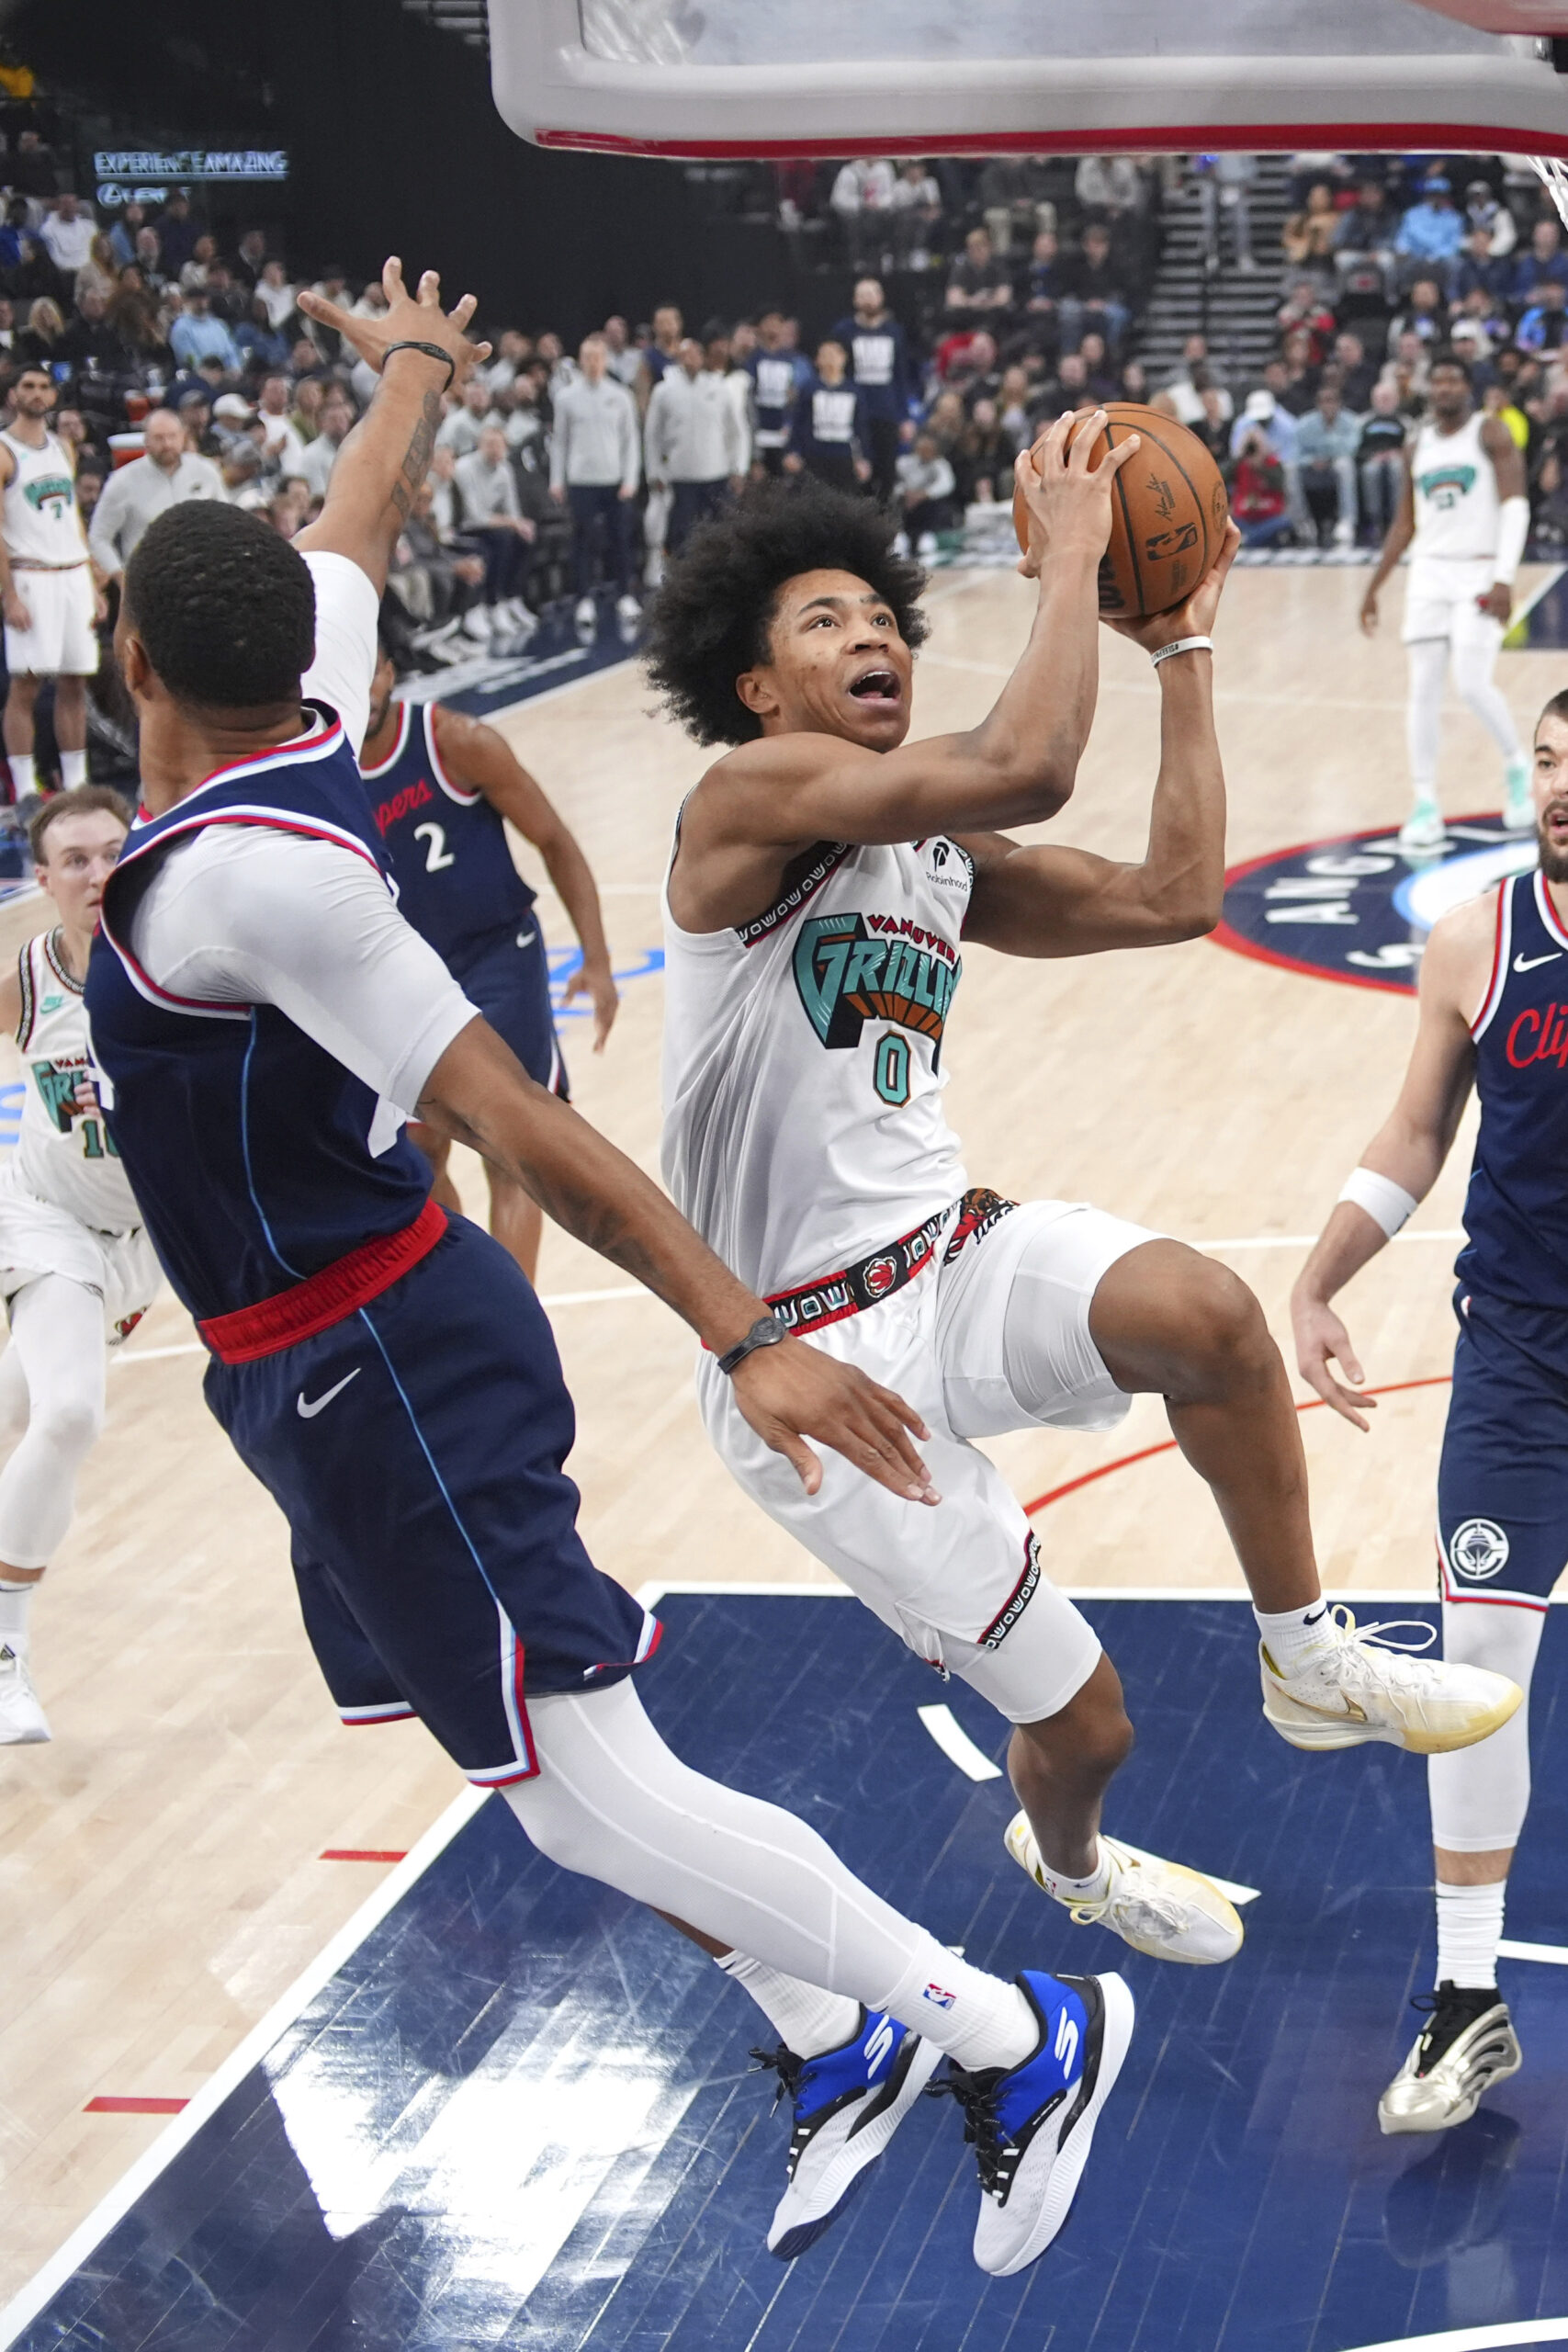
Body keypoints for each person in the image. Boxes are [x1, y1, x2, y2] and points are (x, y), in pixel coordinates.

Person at [85, 256, 1127, 2283]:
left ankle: (1009, 2031)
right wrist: (411, 367)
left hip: (380, 1351)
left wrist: (744, 1333)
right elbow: (355, 521)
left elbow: (523, 1120)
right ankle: (828, 2040)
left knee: (583, 1784)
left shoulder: (252, 879)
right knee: (534, 1774)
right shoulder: (299, 692)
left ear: (122, 643)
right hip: (302, 1372)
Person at [645, 448, 1519, 1986]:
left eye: (881, 616)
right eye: (824, 623)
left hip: (950, 1255)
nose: (871, 638)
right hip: (805, 1364)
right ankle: (1069, 1862)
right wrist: (1067, 551)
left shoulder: (923, 857)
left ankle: (1306, 1652)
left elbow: (1177, 895)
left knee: (1207, 1316)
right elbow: (1032, 764)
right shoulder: (743, 802)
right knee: (1085, 1722)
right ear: (759, 689)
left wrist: (1179, 645)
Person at [1291, 690, 1568, 2133]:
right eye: (1544, 759)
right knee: (1473, 1676)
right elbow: (1413, 1131)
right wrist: (1319, 1276)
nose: (1560, 785)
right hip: (1519, 1362)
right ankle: (1468, 2005)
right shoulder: (1476, 935)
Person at [358, 644, 615, 1279]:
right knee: (416, 1157)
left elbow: (554, 840)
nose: (359, 688)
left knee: (510, 1146)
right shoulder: (320, 776)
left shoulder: (456, 742)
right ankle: (477, 1283)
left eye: (370, 670)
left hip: (496, 955)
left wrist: (598, 959)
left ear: (389, 672)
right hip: (405, 979)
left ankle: (514, 1318)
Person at [0, 787, 157, 1744]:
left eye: (112, 854)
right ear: (43, 879)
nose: (98, 874)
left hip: (154, 1241)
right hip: (48, 1217)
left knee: (20, 1422)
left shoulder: (178, 968)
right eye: (76, 860)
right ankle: (7, 1652)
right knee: (68, 1414)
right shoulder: (26, 981)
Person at [1360, 349, 1533, 850]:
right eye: (1436, 381)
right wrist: (1375, 586)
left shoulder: (1490, 432)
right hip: (1430, 575)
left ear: (1468, 386)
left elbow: (1516, 506)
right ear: (1427, 389)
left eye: (1453, 379)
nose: (1444, 388)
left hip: (1480, 570)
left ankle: (1516, 766)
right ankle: (1425, 801)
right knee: (1423, 692)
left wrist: (1504, 577)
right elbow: (1404, 522)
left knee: (1474, 683)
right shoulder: (1418, 446)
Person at [0, 363, 104, 802]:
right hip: (30, 574)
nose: (38, 393)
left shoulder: (64, 447)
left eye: (44, 386)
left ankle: (76, 783)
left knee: (75, 680)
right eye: (29, 386)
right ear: (12, 396)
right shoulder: (4, 450)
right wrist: (8, 596)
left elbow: (75, 520)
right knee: (26, 683)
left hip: (73, 573)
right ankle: (25, 790)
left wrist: (94, 582)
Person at [548, 330, 641, 638]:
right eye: (587, 357)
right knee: (583, 542)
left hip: (614, 480)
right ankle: (584, 599)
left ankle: (625, 597)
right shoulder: (566, 398)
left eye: (598, 357)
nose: (593, 363)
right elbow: (560, 442)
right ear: (580, 360)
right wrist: (557, 480)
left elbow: (631, 442)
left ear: (605, 360)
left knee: (620, 540)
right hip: (581, 481)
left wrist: (630, 479)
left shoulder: (621, 396)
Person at [85, 405, 221, 584]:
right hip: (147, 583)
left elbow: (226, 522)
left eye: (172, 436)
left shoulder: (206, 471)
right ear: (146, 440)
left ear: (183, 436)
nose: (167, 444)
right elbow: (98, 537)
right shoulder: (123, 481)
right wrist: (121, 578)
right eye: (159, 438)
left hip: (204, 578)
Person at [645, 337, 747, 555]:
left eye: (695, 354)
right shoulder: (663, 391)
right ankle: (680, 580)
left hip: (716, 475)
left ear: (703, 357)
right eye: (685, 355)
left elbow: (737, 432)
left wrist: (738, 467)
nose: (690, 359)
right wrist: (655, 471)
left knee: (720, 534)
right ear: (678, 359)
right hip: (681, 478)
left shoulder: (720, 388)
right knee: (680, 537)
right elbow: (653, 436)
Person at [829, 279, 914, 504]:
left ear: (881, 298)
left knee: (887, 471)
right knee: (858, 470)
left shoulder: (894, 332)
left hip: (885, 411)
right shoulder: (844, 331)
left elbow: (900, 375)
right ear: (855, 300)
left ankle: (886, 524)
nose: (868, 299)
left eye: (872, 294)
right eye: (862, 294)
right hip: (855, 412)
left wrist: (904, 416)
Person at [455, 420, 538, 645]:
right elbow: (474, 516)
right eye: (489, 444)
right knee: (501, 540)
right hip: (465, 529)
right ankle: (491, 604)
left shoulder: (505, 469)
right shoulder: (464, 468)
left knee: (524, 538)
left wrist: (520, 524)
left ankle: (511, 598)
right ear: (479, 445)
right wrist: (513, 522)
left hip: (494, 527)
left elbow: (513, 510)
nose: (495, 450)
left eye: (499, 445)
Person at [784, 341, 869, 494]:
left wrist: (863, 459)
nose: (830, 359)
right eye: (825, 355)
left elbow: (860, 427)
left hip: (843, 458)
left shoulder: (854, 391)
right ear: (817, 360)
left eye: (834, 354)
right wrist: (793, 451)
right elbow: (798, 423)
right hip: (814, 456)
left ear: (844, 358)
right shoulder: (809, 389)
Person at [1293, 382, 1360, 548]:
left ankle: (1347, 521)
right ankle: (1302, 522)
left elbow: (1351, 448)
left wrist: (1325, 455)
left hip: (1336, 463)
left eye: (1331, 401)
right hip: (1311, 465)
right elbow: (1295, 453)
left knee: (1345, 465)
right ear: (1318, 404)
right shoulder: (1305, 424)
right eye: (1324, 401)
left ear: (1339, 403)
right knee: (1290, 469)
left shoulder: (1351, 421)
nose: (1328, 405)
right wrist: (1312, 460)